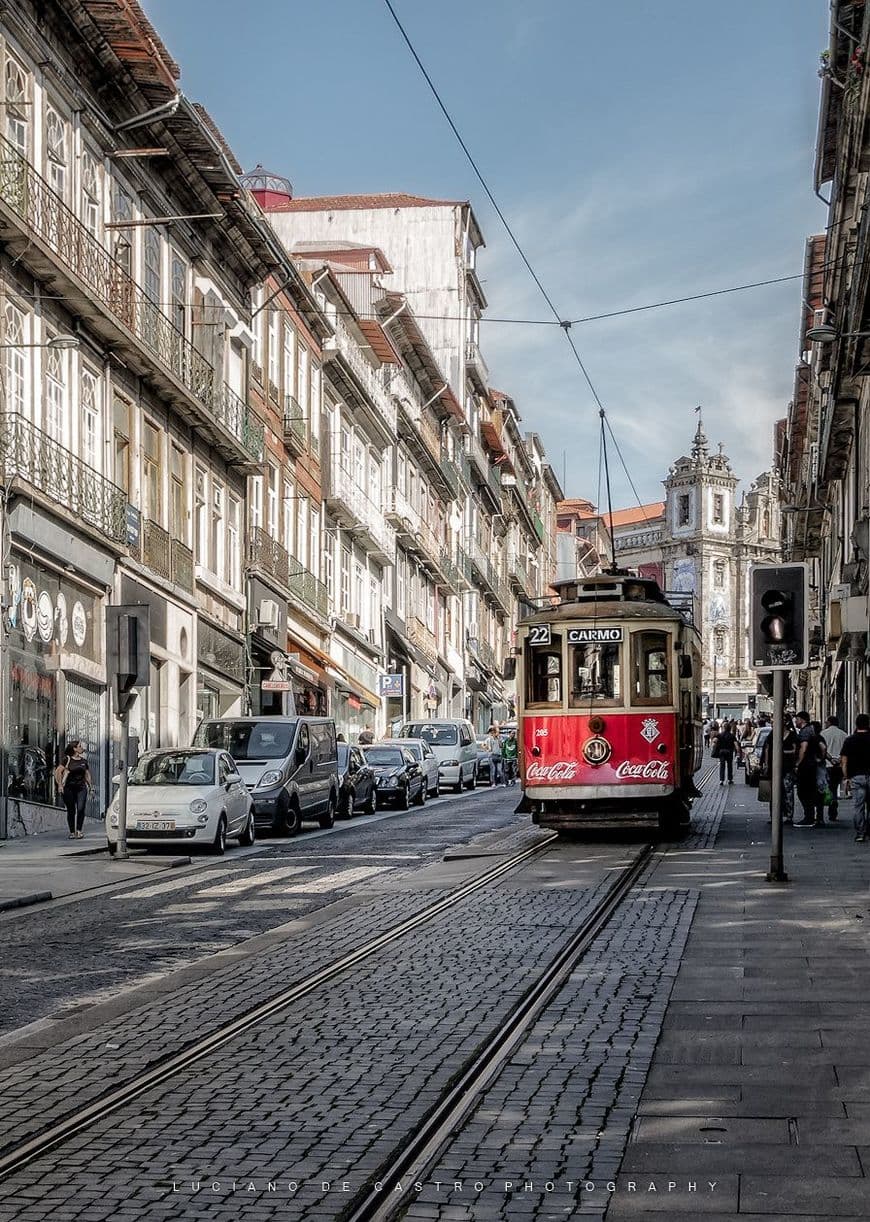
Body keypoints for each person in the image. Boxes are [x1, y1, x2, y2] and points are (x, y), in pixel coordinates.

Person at [841, 713, 870, 842]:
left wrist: (846, 777)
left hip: (857, 777)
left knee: (859, 806)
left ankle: (860, 833)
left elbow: (844, 761)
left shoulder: (850, 740)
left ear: (856, 724)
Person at [54, 741, 91, 839]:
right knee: (71, 810)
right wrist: (60, 785)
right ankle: (72, 831)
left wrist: (90, 785)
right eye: (79, 747)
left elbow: (87, 774)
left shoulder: (84, 761)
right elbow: (58, 771)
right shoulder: (67, 759)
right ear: (74, 749)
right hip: (69, 788)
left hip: (81, 787)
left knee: (81, 808)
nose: (82, 748)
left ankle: (79, 830)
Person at [795, 711, 825, 827]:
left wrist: (798, 763)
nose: (796, 722)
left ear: (802, 720)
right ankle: (816, 817)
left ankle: (809, 817)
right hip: (813, 765)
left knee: (803, 792)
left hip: (806, 767)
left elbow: (804, 747)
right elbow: (823, 747)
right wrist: (821, 759)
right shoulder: (813, 732)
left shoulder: (805, 732)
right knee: (813, 792)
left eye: (797, 719)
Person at [823, 715, 847, 822]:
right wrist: (838, 760)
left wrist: (831, 758)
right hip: (839, 766)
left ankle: (827, 805)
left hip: (827, 764)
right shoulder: (844, 735)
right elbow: (846, 751)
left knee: (826, 787)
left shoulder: (823, 734)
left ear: (829, 723)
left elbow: (822, 750)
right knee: (834, 786)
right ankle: (833, 810)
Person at [716, 720, 736, 785]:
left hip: (721, 751)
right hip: (729, 752)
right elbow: (736, 744)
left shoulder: (720, 735)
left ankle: (721, 780)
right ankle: (730, 779)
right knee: (730, 765)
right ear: (730, 728)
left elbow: (715, 742)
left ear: (723, 728)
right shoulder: (732, 735)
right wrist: (738, 752)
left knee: (722, 765)